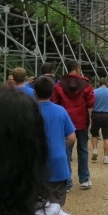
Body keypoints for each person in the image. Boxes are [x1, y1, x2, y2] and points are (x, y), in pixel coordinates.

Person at [51, 61, 96, 190]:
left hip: (65, 122)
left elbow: (54, 102)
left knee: (66, 151)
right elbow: (91, 102)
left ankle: (67, 182)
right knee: (83, 150)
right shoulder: (86, 84)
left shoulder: (59, 85)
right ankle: (84, 179)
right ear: (77, 69)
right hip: (81, 121)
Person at [35, 76, 76, 206]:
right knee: (56, 207)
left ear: (34, 92)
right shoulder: (60, 111)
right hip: (58, 163)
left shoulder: (29, 111)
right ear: (52, 92)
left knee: (36, 208)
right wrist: (59, 145)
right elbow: (71, 137)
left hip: (36, 163)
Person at [89, 78, 108, 163]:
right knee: (107, 137)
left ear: (99, 83)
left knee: (94, 134)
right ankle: (106, 157)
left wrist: (89, 116)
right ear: (107, 83)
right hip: (107, 116)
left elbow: (90, 105)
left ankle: (95, 150)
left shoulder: (94, 92)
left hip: (96, 115)